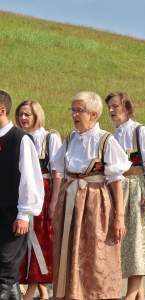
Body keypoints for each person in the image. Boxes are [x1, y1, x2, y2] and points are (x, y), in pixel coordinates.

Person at [50, 91, 131, 299]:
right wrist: (55, 202)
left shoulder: (105, 140)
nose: (74, 115)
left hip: (95, 202)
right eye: (73, 110)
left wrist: (119, 217)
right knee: (69, 250)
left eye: (80, 110)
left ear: (94, 114)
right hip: (70, 200)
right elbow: (59, 170)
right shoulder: (70, 139)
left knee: (95, 253)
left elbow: (115, 180)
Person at [105, 92, 145, 300]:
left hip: (138, 190)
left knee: (137, 242)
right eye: (109, 107)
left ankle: (129, 297)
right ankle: (139, 297)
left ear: (127, 108)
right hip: (118, 190)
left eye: (115, 106)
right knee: (125, 244)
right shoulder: (112, 135)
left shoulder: (140, 131)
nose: (111, 110)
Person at [15, 100, 62, 300]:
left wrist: (54, 202)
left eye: (27, 114)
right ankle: (42, 291)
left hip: (43, 193)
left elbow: (57, 173)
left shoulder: (49, 137)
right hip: (21, 193)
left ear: (37, 115)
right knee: (24, 241)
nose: (23, 118)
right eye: (21, 114)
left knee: (39, 241)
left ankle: (32, 290)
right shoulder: (18, 137)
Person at [0, 90, 44, 300]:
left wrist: (24, 214)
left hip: (11, 215)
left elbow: (30, 178)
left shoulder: (20, 140)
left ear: (2, 110)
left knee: (6, 271)